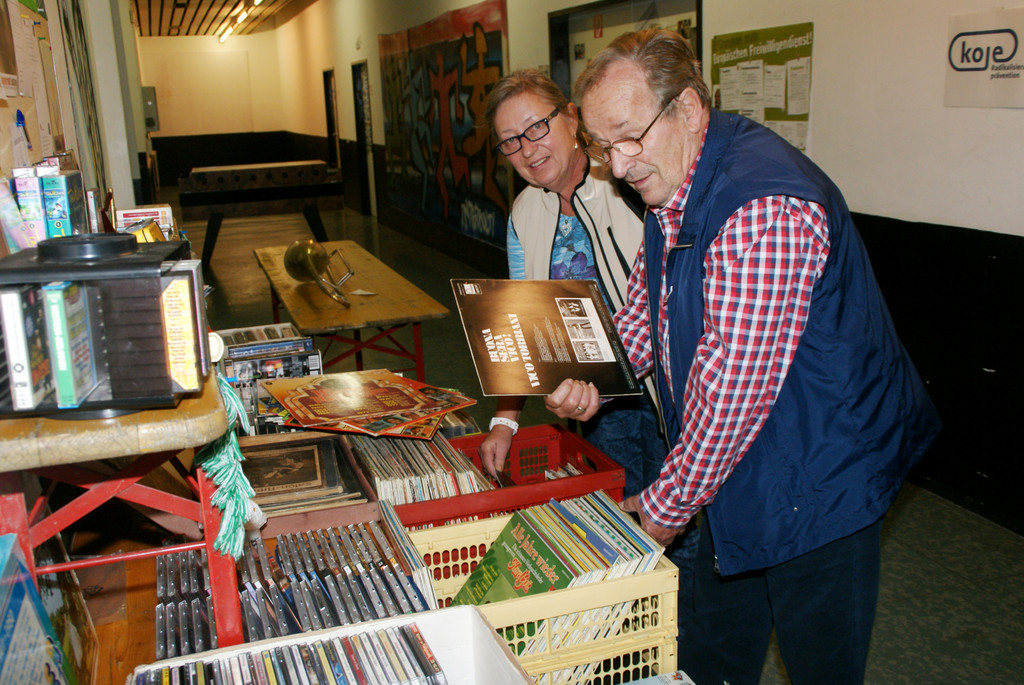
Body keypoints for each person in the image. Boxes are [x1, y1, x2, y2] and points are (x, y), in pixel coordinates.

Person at [545, 29, 941, 684]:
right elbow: (646, 312)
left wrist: (660, 509)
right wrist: (594, 375)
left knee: (821, 666)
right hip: (733, 473)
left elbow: (730, 395)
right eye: (601, 144)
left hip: (822, 480)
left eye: (629, 137)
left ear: (690, 109)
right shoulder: (669, 180)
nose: (617, 164)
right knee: (712, 654)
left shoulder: (763, 207)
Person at [478, 68, 664, 501]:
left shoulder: (630, 181)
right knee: (617, 511)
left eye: (536, 127)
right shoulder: (525, 213)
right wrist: (505, 422)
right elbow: (523, 324)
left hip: (666, 390)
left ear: (570, 117)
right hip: (592, 400)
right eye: (511, 141)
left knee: (677, 529)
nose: (527, 148)